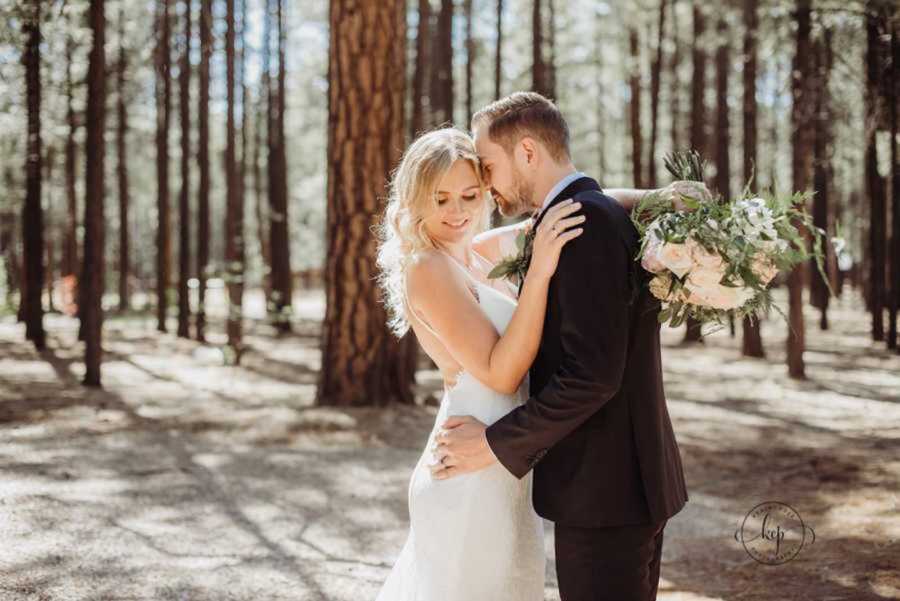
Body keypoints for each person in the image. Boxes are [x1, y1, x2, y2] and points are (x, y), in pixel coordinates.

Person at [374, 117, 695, 600]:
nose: (457, 211)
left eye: (469, 194)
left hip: (506, 462)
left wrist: (658, 197)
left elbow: (576, 207)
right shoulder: (428, 267)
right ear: (415, 199)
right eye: (440, 199)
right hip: (471, 460)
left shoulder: (477, 252)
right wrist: (540, 273)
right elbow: (502, 373)